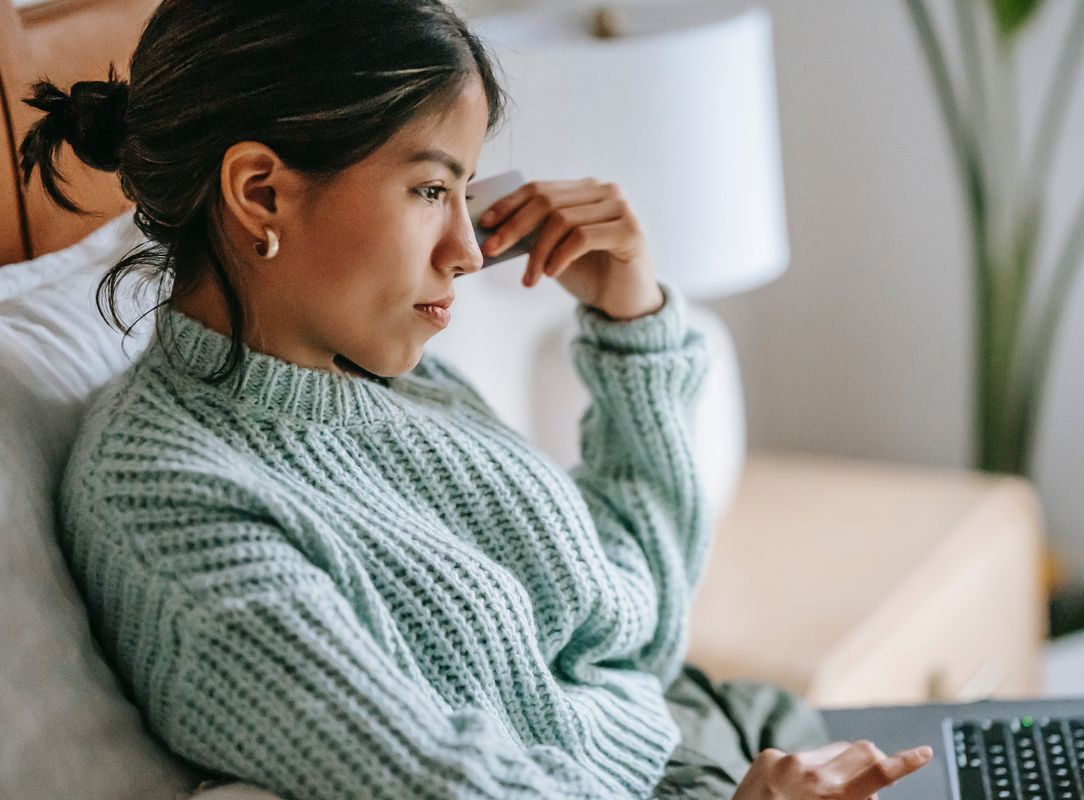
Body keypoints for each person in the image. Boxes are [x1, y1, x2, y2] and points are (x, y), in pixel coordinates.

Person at [21, 1, 934, 797]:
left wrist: (632, 323)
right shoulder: (164, 498)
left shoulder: (389, 378)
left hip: (716, 733)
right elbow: (436, 781)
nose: (465, 248)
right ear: (261, 191)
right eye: (428, 188)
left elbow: (635, 630)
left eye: (465, 189)